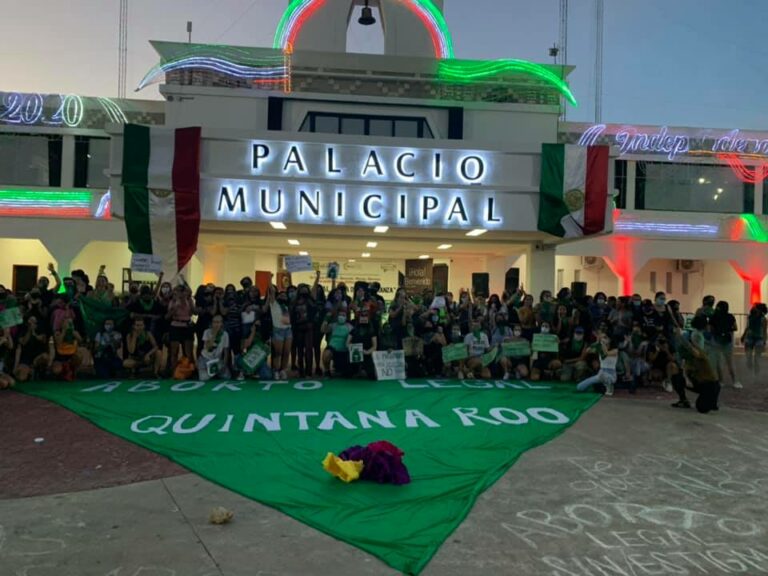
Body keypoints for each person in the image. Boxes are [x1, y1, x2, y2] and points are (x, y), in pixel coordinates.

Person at [671, 326, 720, 413]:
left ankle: (712, 402)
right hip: (699, 383)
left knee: (702, 408)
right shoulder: (687, 361)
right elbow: (685, 373)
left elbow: (691, 349)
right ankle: (683, 400)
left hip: (710, 385)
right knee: (677, 378)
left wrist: (681, 337)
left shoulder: (700, 354)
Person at [710, 300, 741, 388]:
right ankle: (735, 381)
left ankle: (721, 381)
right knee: (730, 362)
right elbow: (735, 327)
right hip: (728, 341)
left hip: (716, 340)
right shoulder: (730, 316)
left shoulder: (714, 316)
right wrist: (728, 329)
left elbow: (710, 329)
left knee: (719, 362)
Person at [167, 284, 195, 372]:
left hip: (187, 326)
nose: (181, 293)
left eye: (182, 291)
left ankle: (189, 370)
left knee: (188, 352)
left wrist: (188, 300)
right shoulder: (173, 301)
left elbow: (193, 312)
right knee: (174, 351)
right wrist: (176, 305)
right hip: (175, 325)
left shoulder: (189, 300)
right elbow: (168, 316)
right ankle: (173, 370)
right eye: (179, 291)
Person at [267, 285, 292, 379]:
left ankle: (283, 370)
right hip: (277, 330)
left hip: (288, 330)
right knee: (278, 352)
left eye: (285, 295)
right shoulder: (274, 304)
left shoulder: (288, 306)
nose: (283, 296)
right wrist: (270, 279)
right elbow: (271, 291)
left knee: (286, 352)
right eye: (281, 295)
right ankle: (276, 370)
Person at [13, 316, 50, 382]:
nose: (32, 323)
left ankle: (34, 369)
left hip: (36, 358)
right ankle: (28, 372)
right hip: (25, 359)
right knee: (21, 378)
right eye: (31, 321)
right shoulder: (22, 330)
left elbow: (43, 339)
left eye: (34, 321)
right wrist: (29, 331)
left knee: (45, 357)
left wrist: (34, 334)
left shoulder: (40, 330)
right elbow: (23, 342)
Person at [347, 308, 378, 379]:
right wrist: (352, 349)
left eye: (365, 316)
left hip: (366, 354)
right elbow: (347, 343)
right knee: (348, 375)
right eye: (362, 317)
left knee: (372, 376)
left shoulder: (372, 331)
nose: (363, 318)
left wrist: (367, 352)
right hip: (354, 354)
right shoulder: (354, 330)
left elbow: (374, 346)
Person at [198, 314, 231, 381]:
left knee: (227, 376)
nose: (217, 324)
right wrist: (214, 333)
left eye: (219, 322)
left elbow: (226, 351)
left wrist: (224, 364)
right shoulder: (206, 332)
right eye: (215, 322)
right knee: (204, 378)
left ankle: (215, 372)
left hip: (217, 360)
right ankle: (210, 372)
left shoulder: (225, 334)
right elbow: (208, 347)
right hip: (205, 359)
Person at [322, 309, 352, 377]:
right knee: (326, 354)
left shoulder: (350, 327)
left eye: (343, 315)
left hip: (344, 351)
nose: (341, 317)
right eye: (340, 315)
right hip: (332, 349)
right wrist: (326, 319)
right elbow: (323, 329)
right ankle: (327, 371)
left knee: (346, 374)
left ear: (346, 317)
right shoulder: (333, 325)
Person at [741, 303, 767, 380]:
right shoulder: (750, 317)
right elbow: (747, 327)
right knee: (748, 358)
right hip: (750, 337)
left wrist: (764, 341)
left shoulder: (763, 319)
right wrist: (743, 335)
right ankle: (751, 372)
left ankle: (756, 375)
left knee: (757, 359)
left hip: (759, 338)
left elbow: (764, 331)